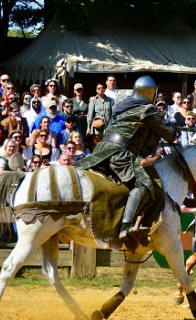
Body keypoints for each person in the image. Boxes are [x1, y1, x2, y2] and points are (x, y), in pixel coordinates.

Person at [74, 75, 176, 244]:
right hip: (119, 152)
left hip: (102, 149)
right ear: (151, 93)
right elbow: (168, 135)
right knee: (143, 184)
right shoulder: (147, 110)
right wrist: (171, 128)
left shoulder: (121, 105)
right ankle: (126, 227)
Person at [87, 83, 114, 148]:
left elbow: (113, 113)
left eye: (102, 88)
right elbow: (90, 114)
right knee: (97, 145)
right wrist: (88, 127)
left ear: (105, 89)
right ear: (96, 90)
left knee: (107, 145)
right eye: (98, 88)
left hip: (107, 126)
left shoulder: (110, 100)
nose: (101, 90)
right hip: (97, 126)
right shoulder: (93, 100)